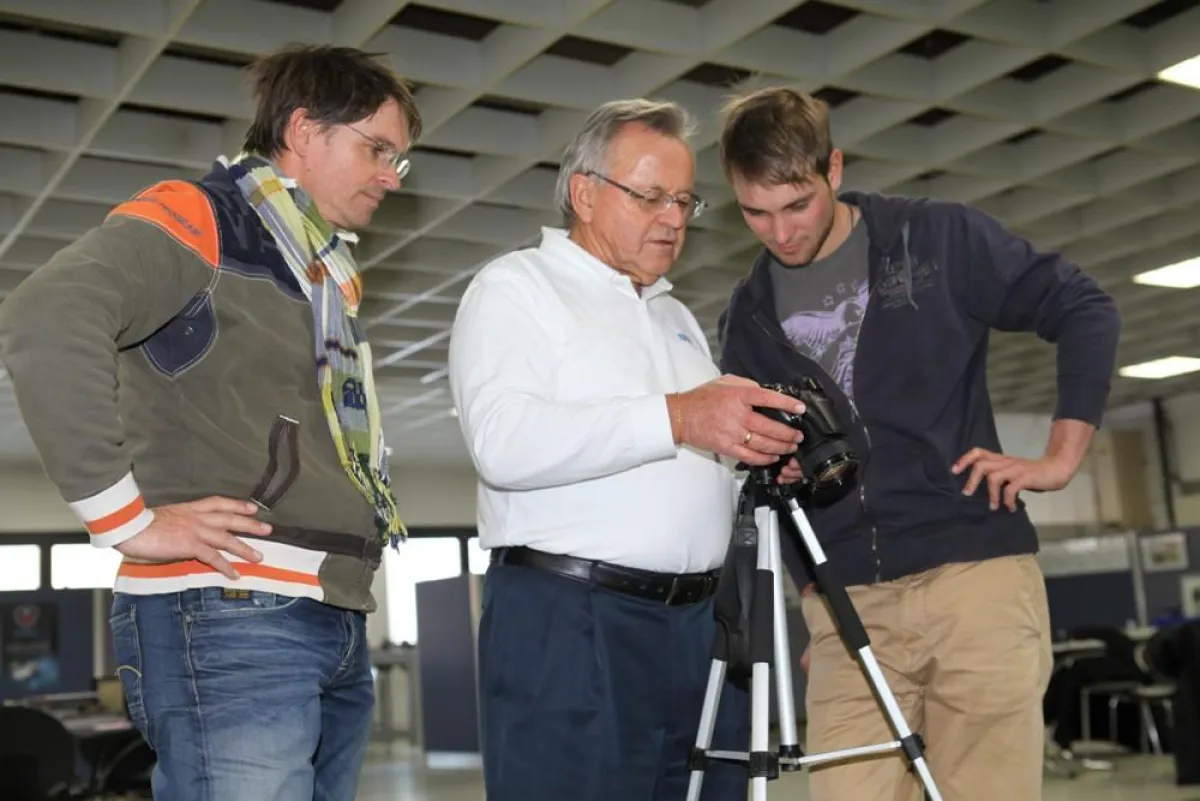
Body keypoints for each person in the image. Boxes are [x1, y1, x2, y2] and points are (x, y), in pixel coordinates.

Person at [0, 44, 421, 801]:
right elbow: (48, 312)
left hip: (330, 612)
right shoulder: (203, 216)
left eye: (400, 158)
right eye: (376, 148)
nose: (392, 174)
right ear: (302, 129)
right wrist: (124, 520)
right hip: (233, 612)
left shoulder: (322, 273)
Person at [713, 87, 1121, 801]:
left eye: (797, 204)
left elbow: (1083, 306)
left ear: (833, 168)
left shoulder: (936, 240)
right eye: (755, 212)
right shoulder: (747, 320)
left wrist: (1061, 457)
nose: (779, 231)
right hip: (850, 608)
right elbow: (769, 477)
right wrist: (817, 598)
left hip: (974, 578)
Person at [448, 98, 808, 801]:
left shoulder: (673, 316)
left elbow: (684, 457)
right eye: (649, 196)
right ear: (584, 193)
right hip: (572, 617)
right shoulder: (515, 289)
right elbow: (503, 442)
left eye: (683, 200)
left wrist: (753, 455)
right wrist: (679, 416)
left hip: (701, 628)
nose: (673, 218)